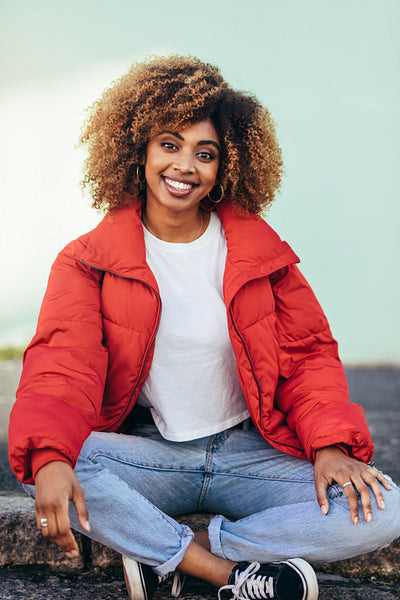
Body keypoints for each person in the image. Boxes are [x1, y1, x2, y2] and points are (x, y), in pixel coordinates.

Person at [8, 55, 400, 600]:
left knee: (386, 509)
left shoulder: (260, 254)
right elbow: (61, 365)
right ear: (138, 150)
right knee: (47, 466)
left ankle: (177, 552)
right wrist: (51, 458)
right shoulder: (88, 261)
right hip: (150, 455)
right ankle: (225, 575)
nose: (185, 165)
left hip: (248, 452)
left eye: (205, 153)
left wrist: (329, 445)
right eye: (169, 144)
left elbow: (308, 356)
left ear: (226, 166)